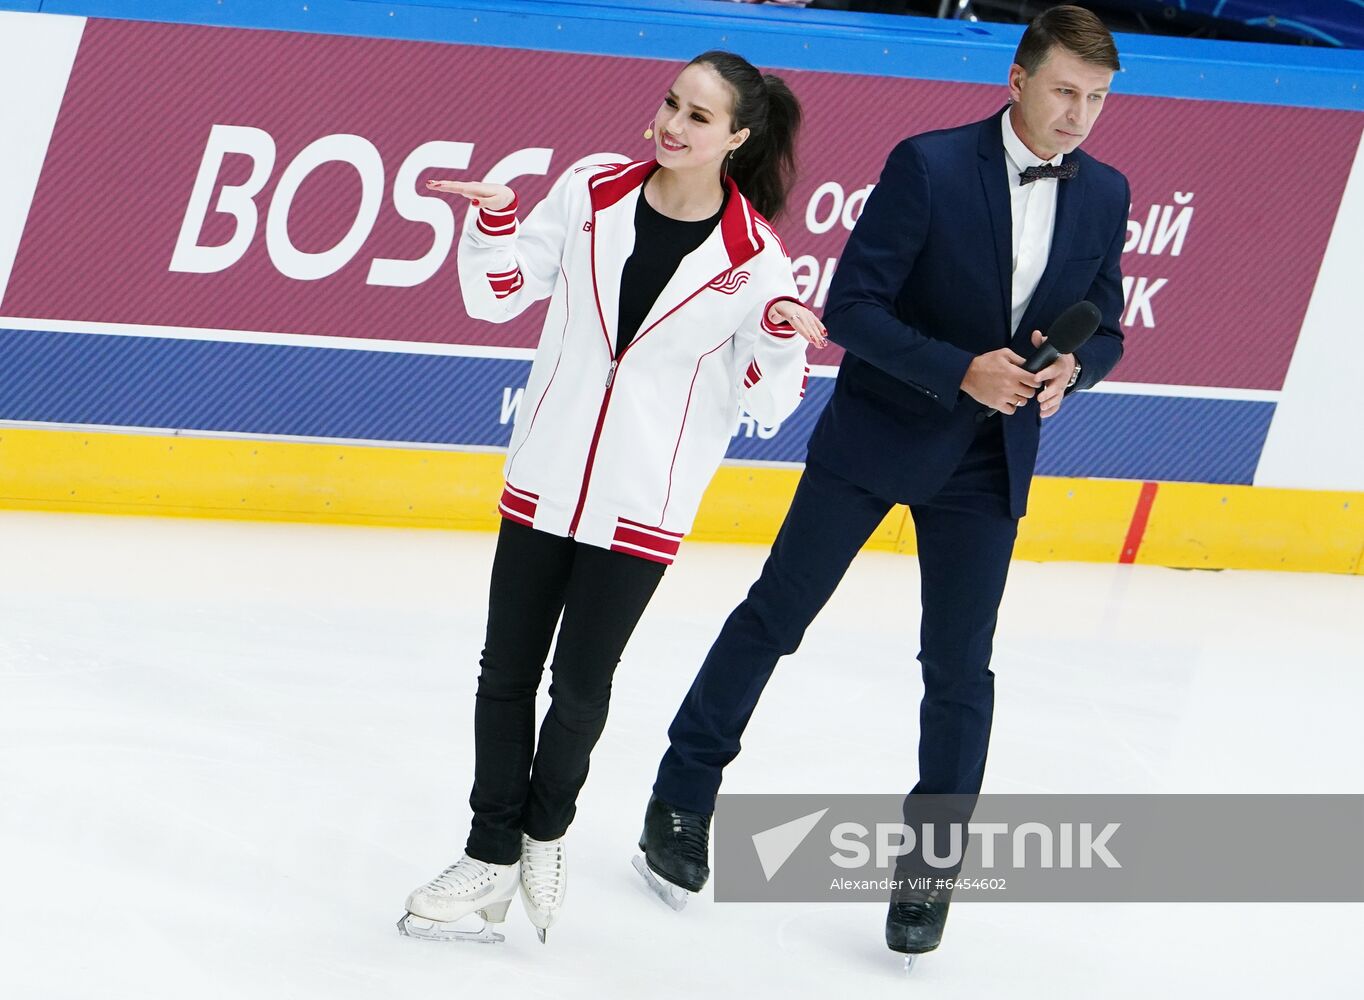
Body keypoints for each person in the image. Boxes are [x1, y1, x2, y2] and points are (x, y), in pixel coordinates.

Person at [638, 5, 1129, 958]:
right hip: (880, 433)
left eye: (1098, 99)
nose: (1080, 115)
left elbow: (1102, 318)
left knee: (959, 672)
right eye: (1066, 91)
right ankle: (680, 798)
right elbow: (854, 309)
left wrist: (1079, 367)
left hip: (989, 461)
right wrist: (958, 370)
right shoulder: (931, 164)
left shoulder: (1105, 191)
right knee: (774, 617)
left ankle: (929, 874)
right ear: (1019, 80)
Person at [398, 50, 825, 944]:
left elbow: (768, 403)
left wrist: (783, 341)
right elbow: (499, 297)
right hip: (546, 476)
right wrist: (494, 227)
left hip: (642, 501)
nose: (673, 124)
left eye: (700, 117)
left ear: (737, 138)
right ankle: (487, 854)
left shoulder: (756, 261)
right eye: (672, 103)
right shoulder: (590, 190)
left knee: (580, 686)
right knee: (504, 674)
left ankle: (543, 835)